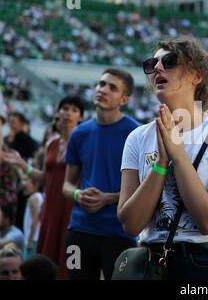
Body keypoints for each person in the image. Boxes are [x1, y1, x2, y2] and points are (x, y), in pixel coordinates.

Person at [118, 37, 208, 280]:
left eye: (169, 61)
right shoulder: (137, 138)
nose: (157, 68)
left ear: (197, 76)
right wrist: (161, 164)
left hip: (205, 264)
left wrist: (177, 154)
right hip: (151, 263)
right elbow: (131, 225)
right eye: (151, 64)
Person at [62, 68, 139, 280]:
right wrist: (79, 195)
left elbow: (144, 187)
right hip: (78, 231)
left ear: (124, 99)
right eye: (101, 84)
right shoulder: (79, 133)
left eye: (112, 87)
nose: (103, 90)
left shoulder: (136, 134)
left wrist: (108, 198)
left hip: (119, 233)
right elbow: (66, 185)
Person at [1, 95, 84, 279]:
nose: (68, 113)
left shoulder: (83, 142)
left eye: (74, 110)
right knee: (46, 260)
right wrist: (22, 164)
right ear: (57, 113)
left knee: (71, 261)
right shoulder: (51, 143)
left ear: (80, 117)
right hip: (50, 209)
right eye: (65, 108)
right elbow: (46, 178)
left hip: (72, 211)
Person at [22, 176, 43, 259]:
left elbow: (35, 219)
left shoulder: (34, 198)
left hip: (33, 239)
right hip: (35, 238)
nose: (25, 184)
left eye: (27, 181)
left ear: (36, 184)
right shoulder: (40, 196)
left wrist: (30, 241)